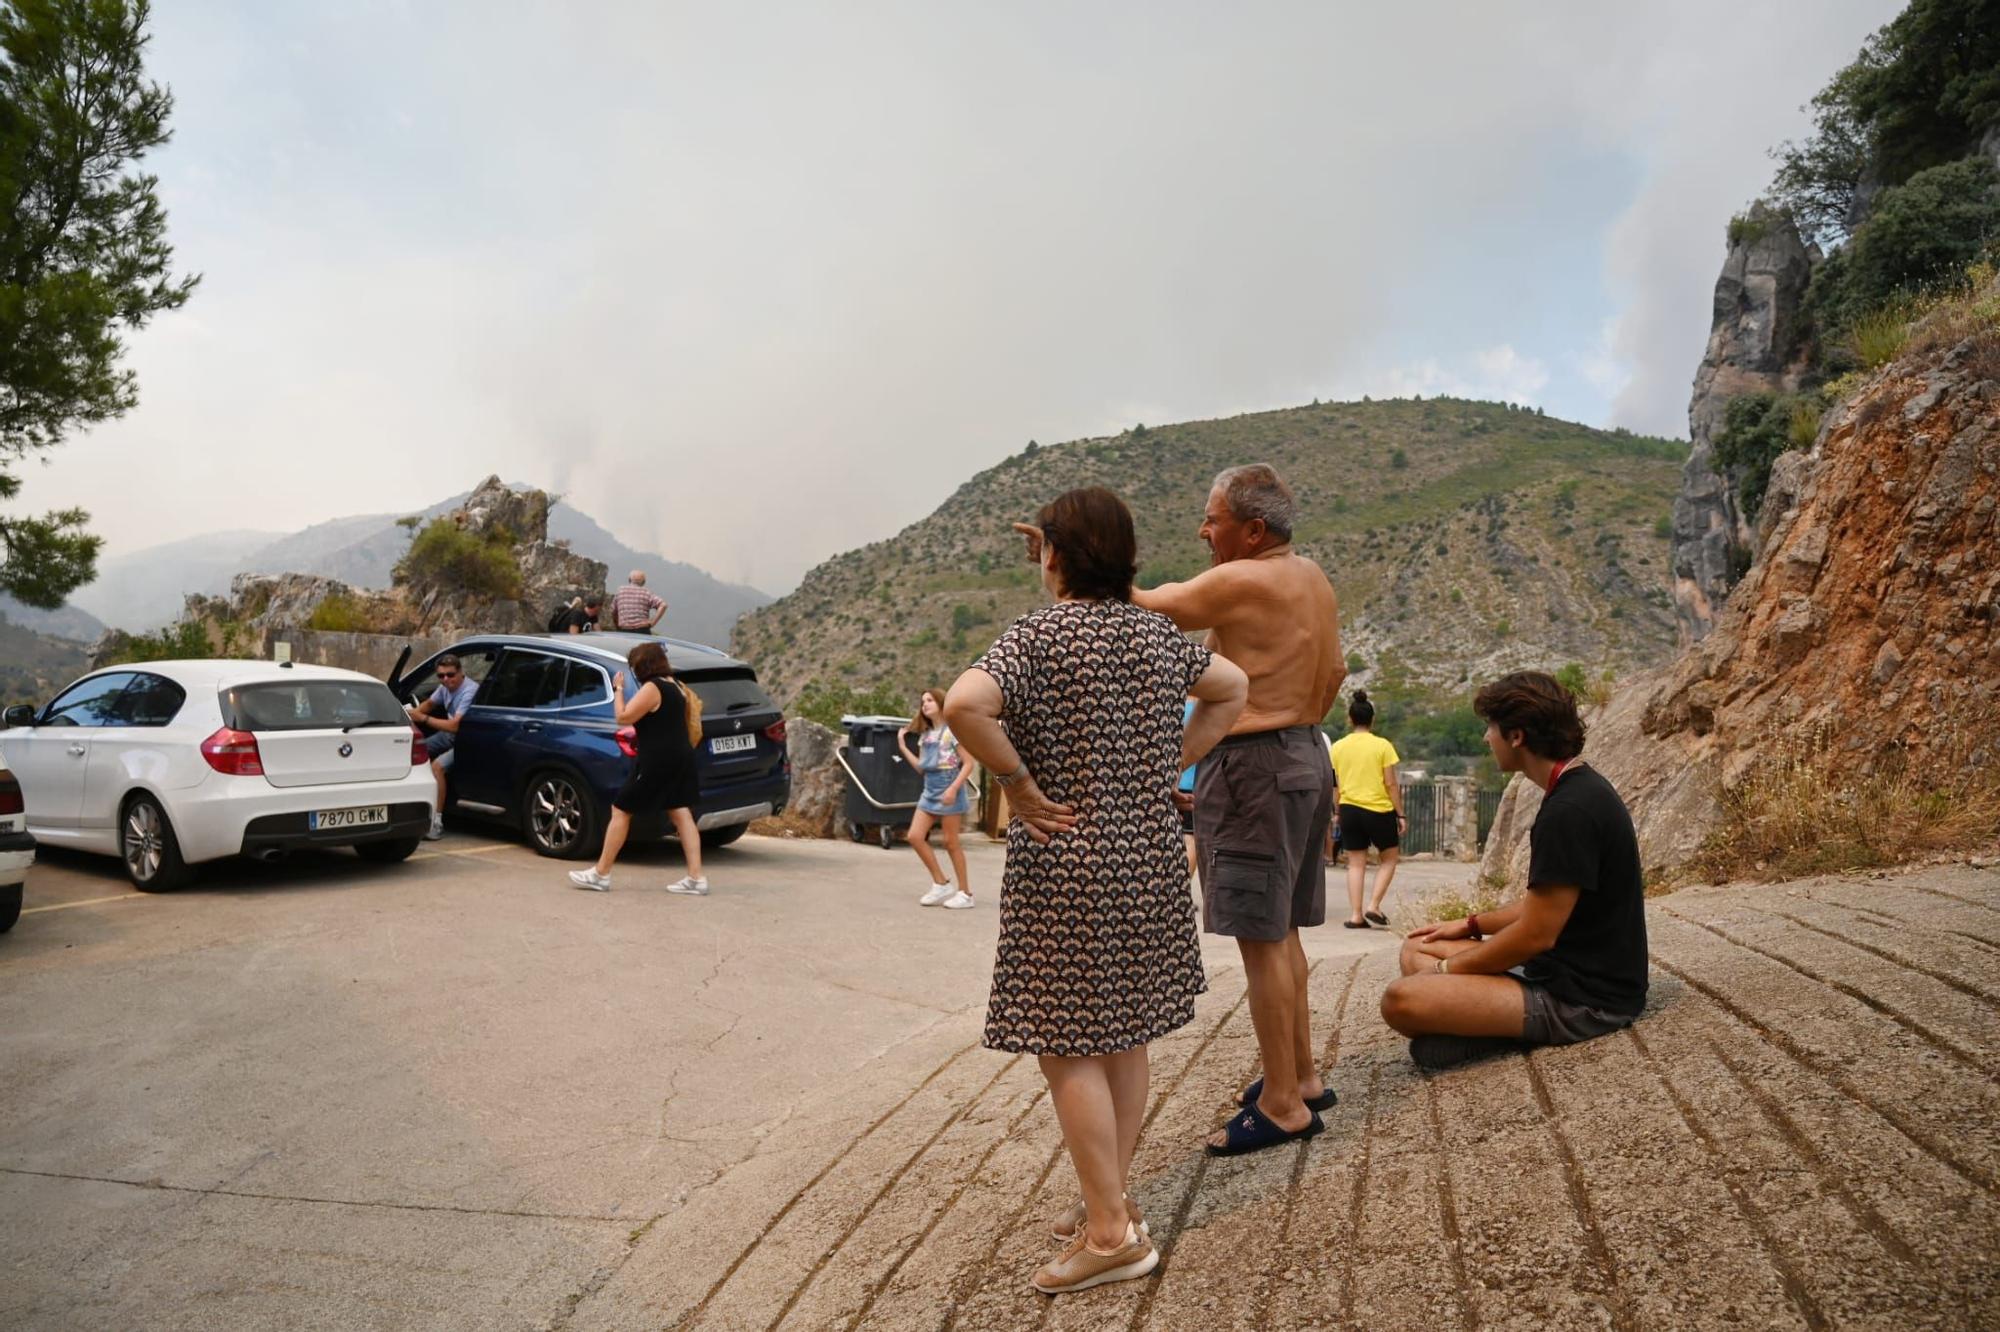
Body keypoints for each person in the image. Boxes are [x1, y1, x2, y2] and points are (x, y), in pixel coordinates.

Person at [944, 486, 1248, 1295]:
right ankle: (1111, 1202)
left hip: (1068, 860)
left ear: (1055, 555)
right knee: (1125, 1034)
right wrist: (1167, 759)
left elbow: (967, 705)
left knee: (1067, 1041)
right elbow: (1234, 689)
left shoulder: (1039, 635)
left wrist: (1018, 783)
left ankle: (1111, 1234)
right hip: (1148, 855)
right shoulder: (1158, 634)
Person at [1133, 464, 1345, 1155]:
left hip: (1255, 764)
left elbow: (1150, 603)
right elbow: (1337, 672)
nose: (1203, 530)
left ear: (1253, 531)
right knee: (1284, 932)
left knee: (1261, 941)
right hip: (1307, 752)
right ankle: (1303, 1077)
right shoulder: (1312, 578)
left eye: (1212, 518)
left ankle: (1282, 1103)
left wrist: (1073, 558)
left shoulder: (1242, 579)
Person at [1380, 671, 1648, 1068]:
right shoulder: (1575, 790)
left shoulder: (1569, 811)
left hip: (1587, 999)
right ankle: (1480, 1023)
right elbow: (1543, 907)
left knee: (1400, 1000)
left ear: (1517, 735)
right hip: (1558, 969)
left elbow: (1536, 934)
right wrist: (1471, 925)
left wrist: (1446, 970)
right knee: (1415, 950)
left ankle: (1496, 1030)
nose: (1487, 738)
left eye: (1491, 727)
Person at [568, 642, 708, 896]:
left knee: (621, 809)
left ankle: (601, 874)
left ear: (643, 665)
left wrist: (618, 689)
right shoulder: (676, 685)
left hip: (657, 760)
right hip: (680, 757)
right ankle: (696, 878)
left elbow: (623, 717)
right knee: (681, 813)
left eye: (634, 666)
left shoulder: (654, 687)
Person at [1330, 689, 1404, 929]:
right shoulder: (1383, 746)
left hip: (1349, 809)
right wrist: (1400, 813)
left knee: (1355, 863)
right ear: (1372, 720)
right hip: (1378, 809)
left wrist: (1338, 811)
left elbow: (1336, 784)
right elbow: (1390, 783)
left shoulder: (1338, 748)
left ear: (1350, 719)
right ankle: (1374, 904)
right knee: (1389, 859)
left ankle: (1356, 915)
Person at [896, 690, 974, 909]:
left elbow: (969, 764)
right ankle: (941, 883)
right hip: (929, 790)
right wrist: (902, 747)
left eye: (929, 700)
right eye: (922, 702)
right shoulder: (926, 736)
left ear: (941, 703)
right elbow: (922, 768)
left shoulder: (953, 732)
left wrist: (953, 789)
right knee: (914, 836)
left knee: (951, 843)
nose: (925, 705)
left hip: (950, 788)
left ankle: (965, 893)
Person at [406, 654, 477, 840]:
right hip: (449, 735)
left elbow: (455, 725)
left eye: (450, 675)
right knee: (416, 752)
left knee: (437, 766)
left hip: (466, 738)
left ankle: (437, 821)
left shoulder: (470, 690)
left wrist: (424, 719)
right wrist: (411, 714)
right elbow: (430, 704)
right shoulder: (445, 687)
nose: (446, 680)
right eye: (441, 676)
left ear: (461, 673)